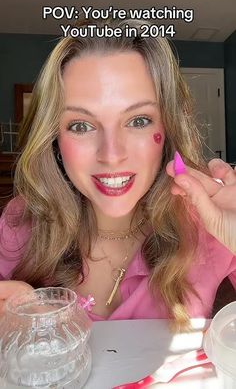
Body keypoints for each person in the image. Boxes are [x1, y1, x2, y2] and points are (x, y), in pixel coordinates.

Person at [0, 17, 235, 332]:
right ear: (54, 138)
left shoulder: (207, 225)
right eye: (81, 125)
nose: (111, 155)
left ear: (168, 129)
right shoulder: (21, 222)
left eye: (138, 120)